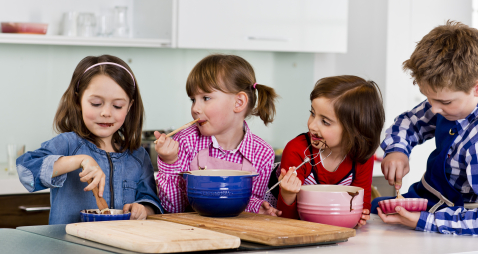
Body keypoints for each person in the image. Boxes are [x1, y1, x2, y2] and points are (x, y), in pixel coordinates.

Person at [373, 21, 478, 236]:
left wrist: (424, 222)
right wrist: (397, 150)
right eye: (428, 98)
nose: (434, 109)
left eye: (444, 103)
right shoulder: (457, 96)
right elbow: (410, 122)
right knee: (374, 210)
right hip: (429, 200)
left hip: (458, 220)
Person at [16, 55, 163, 224]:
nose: (106, 113)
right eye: (96, 103)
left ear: (129, 106)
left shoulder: (138, 156)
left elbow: (151, 201)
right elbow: (26, 171)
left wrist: (143, 209)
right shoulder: (68, 144)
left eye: (117, 106)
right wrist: (79, 161)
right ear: (78, 101)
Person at [155, 54, 280, 216]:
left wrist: (258, 208)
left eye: (206, 98)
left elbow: (250, 201)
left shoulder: (263, 153)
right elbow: (174, 209)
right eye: (193, 100)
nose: (195, 108)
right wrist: (170, 161)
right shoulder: (185, 142)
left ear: (239, 102)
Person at [273, 75, 385, 227]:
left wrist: (361, 216)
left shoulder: (362, 157)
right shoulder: (297, 150)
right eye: (312, 113)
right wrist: (288, 193)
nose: (312, 125)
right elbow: (285, 220)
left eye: (325, 122)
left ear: (355, 131)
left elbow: (361, 207)